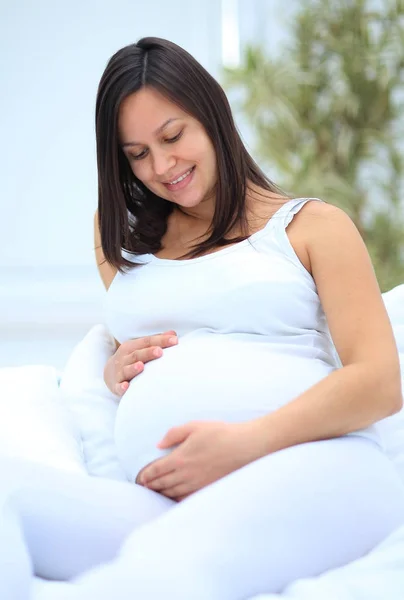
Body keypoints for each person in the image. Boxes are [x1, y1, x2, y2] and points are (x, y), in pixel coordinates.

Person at [1, 36, 404, 600]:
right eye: (137, 154)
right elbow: (144, 348)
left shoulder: (312, 228)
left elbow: (380, 383)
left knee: (162, 569)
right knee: (7, 497)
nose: (162, 166)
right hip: (170, 497)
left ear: (212, 115)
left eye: (172, 137)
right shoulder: (118, 239)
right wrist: (116, 364)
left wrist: (245, 443)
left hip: (321, 472)